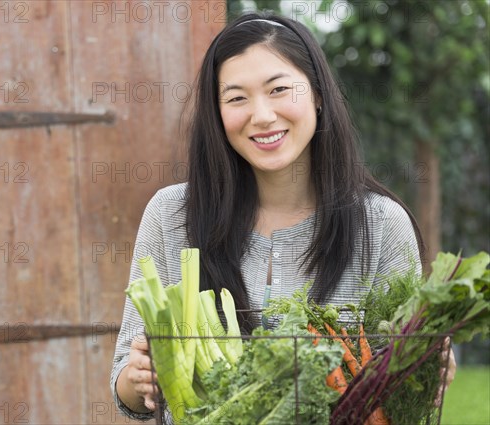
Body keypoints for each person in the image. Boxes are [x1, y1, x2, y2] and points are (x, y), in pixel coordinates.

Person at [111, 11, 430, 421]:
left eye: (279, 89)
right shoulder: (171, 214)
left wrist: (425, 367)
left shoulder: (381, 224)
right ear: (217, 111)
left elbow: (399, 385)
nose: (261, 116)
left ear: (317, 93)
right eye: (237, 98)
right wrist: (140, 376)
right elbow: (125, 385)